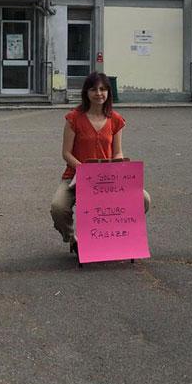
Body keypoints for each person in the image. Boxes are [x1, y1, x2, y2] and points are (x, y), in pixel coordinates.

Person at [50, 72, 150, 253]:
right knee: (58, 208)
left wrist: (118, 166)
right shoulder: (74, 118)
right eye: (93, 89)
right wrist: (85, 171)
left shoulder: (115, 119)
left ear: (108, 92)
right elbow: (66, 153)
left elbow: (117, 151)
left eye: (103, 89)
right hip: (76, 176)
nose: (98, 93)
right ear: (86, 92)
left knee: (143, 199)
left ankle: (111, 233)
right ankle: (73, 239)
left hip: (108, 178)